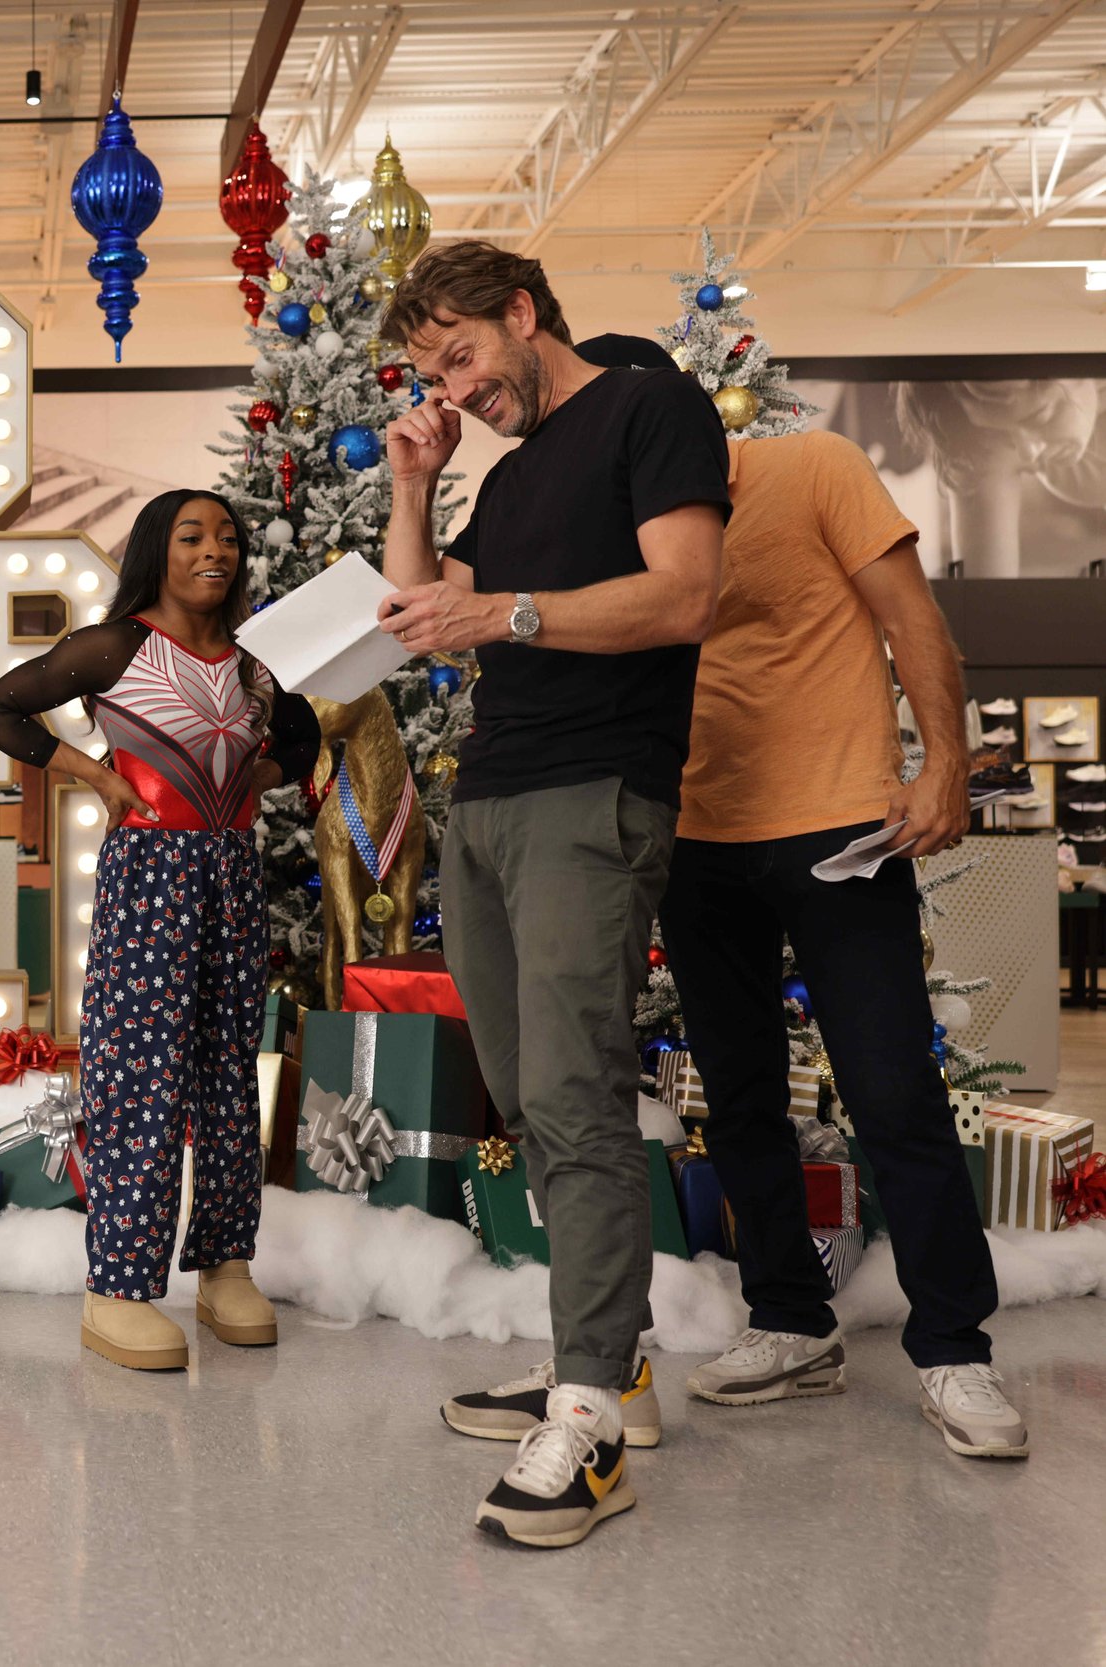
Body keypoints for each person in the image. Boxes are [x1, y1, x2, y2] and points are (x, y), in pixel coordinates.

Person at [561, 334, 1023, 1458]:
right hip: (694, 836)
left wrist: (942, 763)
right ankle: (788, 1320)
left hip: (839, 831)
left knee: (889, 1088)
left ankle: (955, 1347)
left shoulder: (810, 469)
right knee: (742, 1094)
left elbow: (914, 621)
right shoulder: (620, 524)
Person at [375, 244, 729, 1548]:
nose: (455, 389)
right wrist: (417, 483)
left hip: (597, 794)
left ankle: (587, 1417)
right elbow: (424, 604)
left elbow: (686, 593)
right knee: (529, 1093)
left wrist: (507, 616)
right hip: (493, 801)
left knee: (577, 1091)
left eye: (461, 356)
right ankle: (616, 1361)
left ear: (525, 313)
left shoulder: (649, 409)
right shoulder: (510, 477)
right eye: (431, 375)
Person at [0, 489, 320, 1372]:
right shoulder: (116, 645)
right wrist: (90, 771)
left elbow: (306, 741)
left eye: (230, 538)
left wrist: (257, 777)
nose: (217, 551)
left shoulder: (252, 662)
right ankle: (118, 1287)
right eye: (194, 536)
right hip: (150, 874)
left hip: (232, 875)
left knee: (229, 1076)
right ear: (156, 548)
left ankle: (225, 1264)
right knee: (140, 1075)